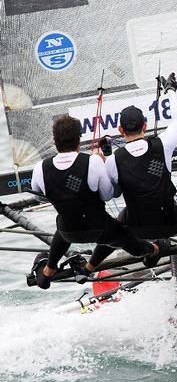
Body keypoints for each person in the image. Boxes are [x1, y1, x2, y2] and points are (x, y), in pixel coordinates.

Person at [29, 116, 166, 290]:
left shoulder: (40, 167)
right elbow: (108, 195)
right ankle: (155, 249)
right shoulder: (92, 161)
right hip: (100, 230)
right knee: (130, 242)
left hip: (68, 232)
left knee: (65, 222)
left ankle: (48, 271)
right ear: (79, 139)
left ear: (55, 142)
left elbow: (39, 197)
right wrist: (102, 163)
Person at [105, 73, 177, 252]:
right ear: (145, 126)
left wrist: (107, 155)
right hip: (171, 222)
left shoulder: (113, 160)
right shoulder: (162, 144)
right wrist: (170, 90)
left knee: (116, 224)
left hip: (136, 228)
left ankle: (90, 266)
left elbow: (113, 194)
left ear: (120, 130)